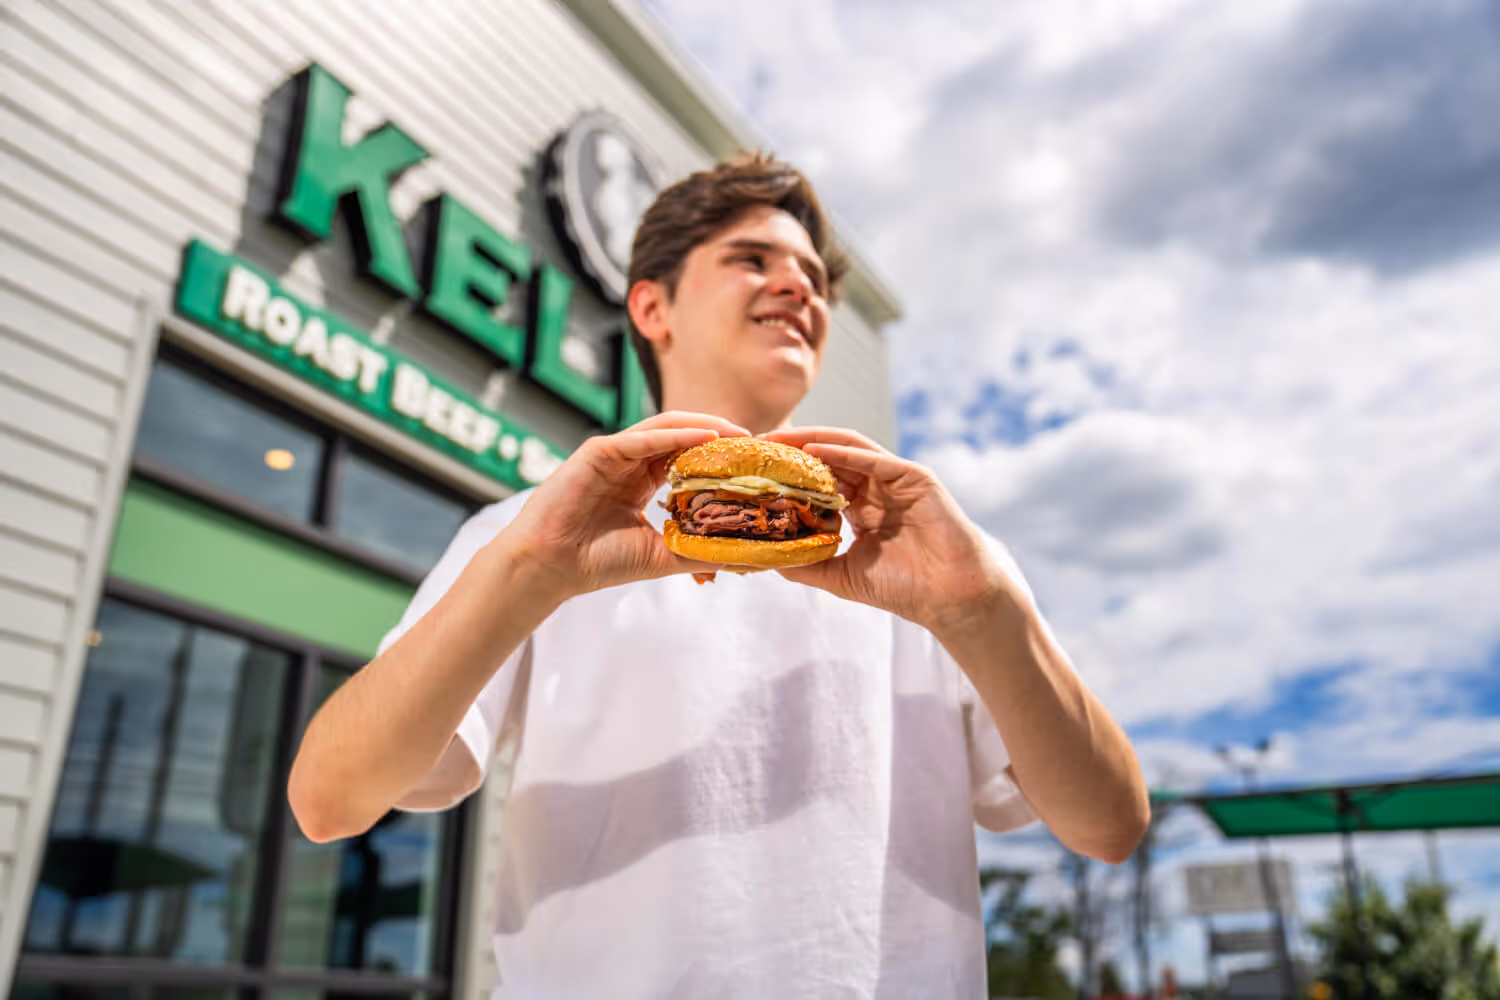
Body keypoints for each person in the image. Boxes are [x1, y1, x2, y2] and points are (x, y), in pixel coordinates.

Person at [288, 152, 1149, 997]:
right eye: (751, 260)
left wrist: (984, 613)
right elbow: (330, 801)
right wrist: (529, 570)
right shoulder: (526, 534)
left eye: (813, 276)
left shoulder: (923, 552)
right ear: (651, 307)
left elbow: (1110, 827)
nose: (798, 288)